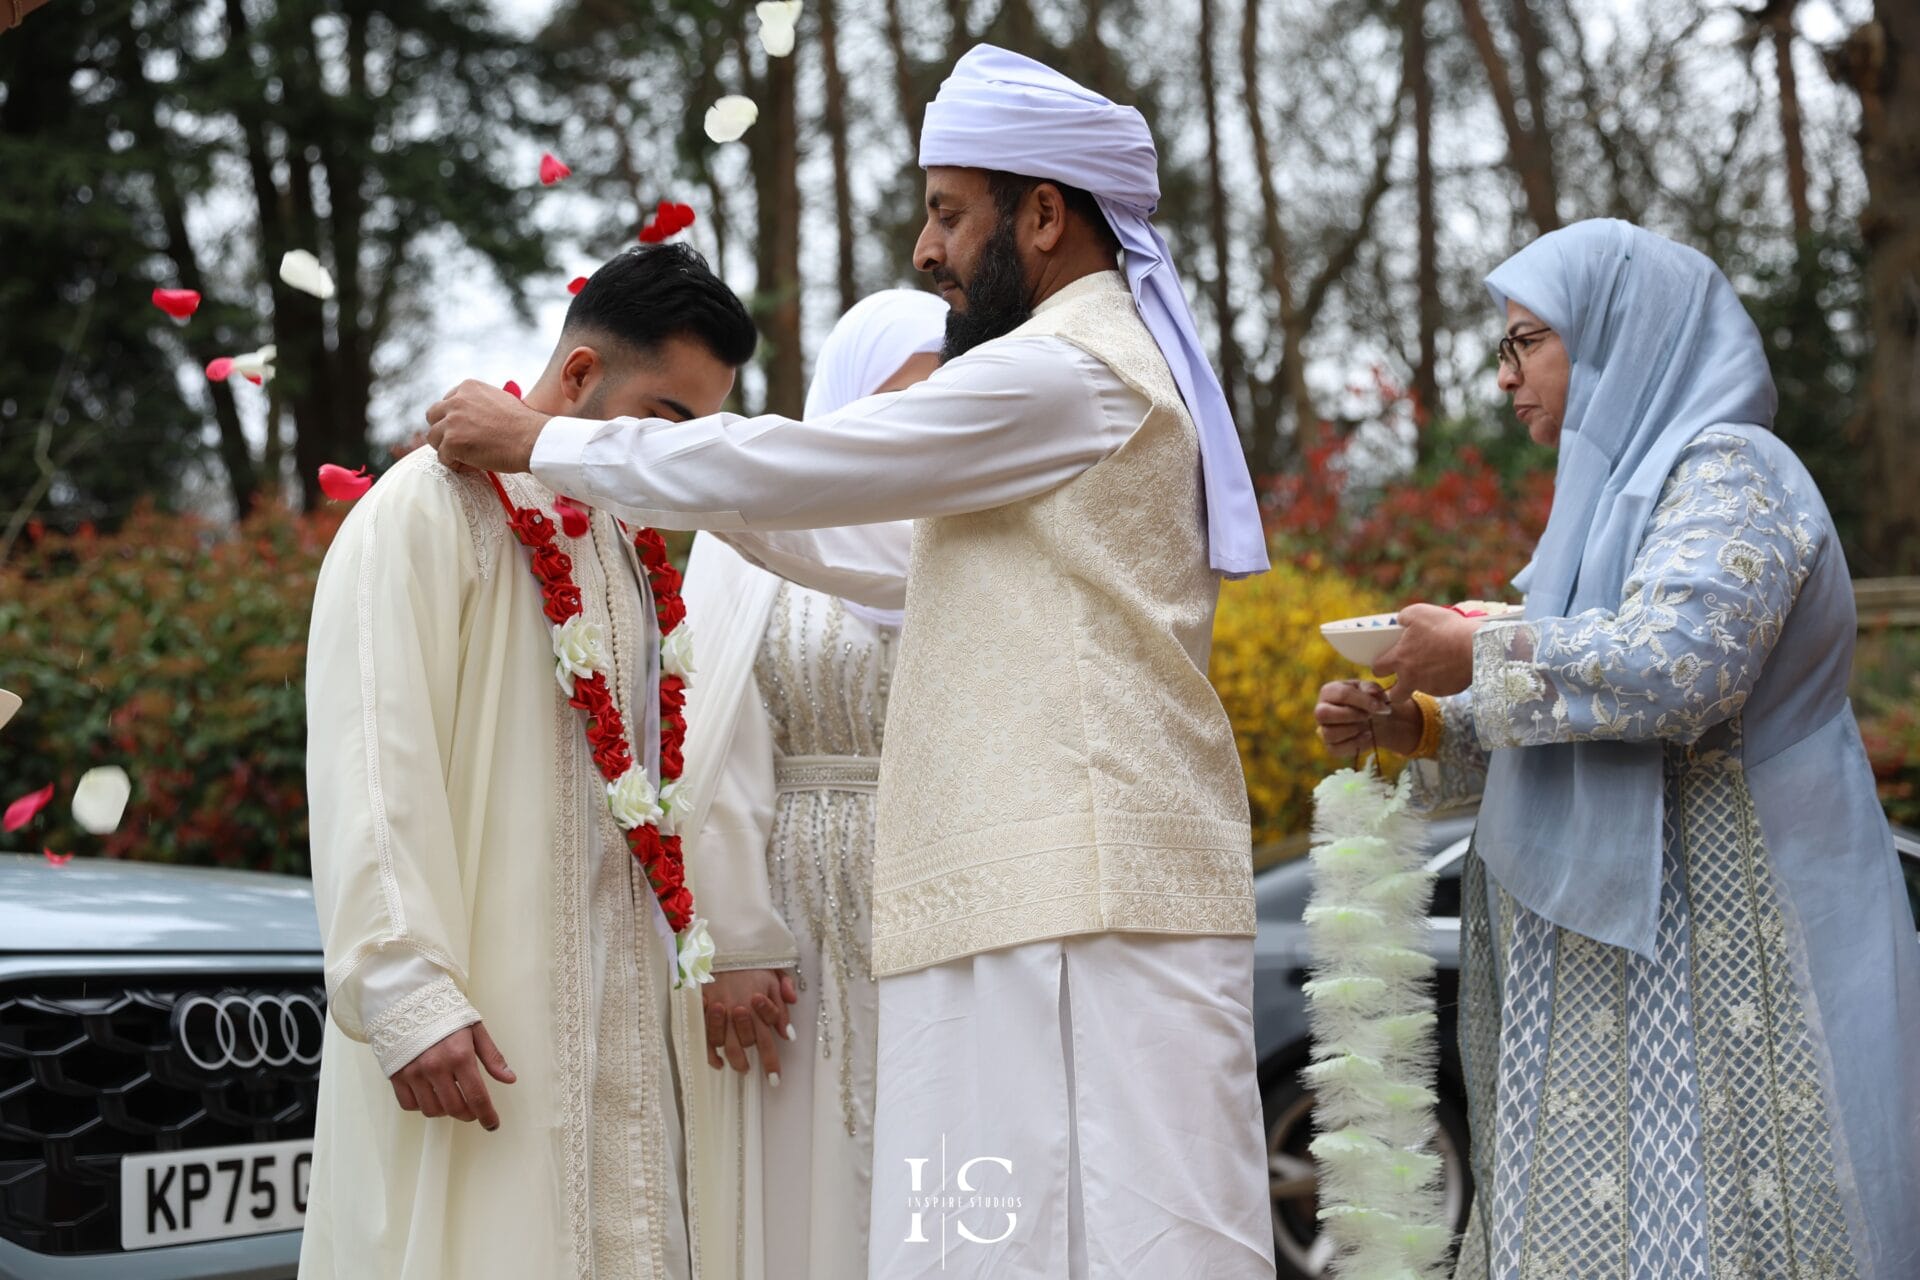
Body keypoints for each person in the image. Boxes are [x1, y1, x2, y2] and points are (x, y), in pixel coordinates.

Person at [425, 44, 1279, 1280]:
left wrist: (547, 440)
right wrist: (654, 483)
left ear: (1045, 216)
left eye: (950, 212)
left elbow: (814, 465)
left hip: (1085, 904)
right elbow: (853, 544)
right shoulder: (1066, 375)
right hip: (1015, 898)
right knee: (979, 1245)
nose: (928, 251)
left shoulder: (1072, 369)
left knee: (1128, 1245)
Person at [1316, 219, 1920, 1278]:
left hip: (1740, 947)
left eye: (1527, 341)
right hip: (1630, 973)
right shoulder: (1608, 509)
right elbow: (1575, 713)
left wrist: (1478, 649)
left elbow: (1681, 664)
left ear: (1617, 336)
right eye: (1502, 347)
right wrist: (1415, 721)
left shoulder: (1731, 468)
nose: (1505, 377)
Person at [300, 244, 759, 1280]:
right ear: (583, 372)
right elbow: (373, 754)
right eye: (663, 421)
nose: (672, 458)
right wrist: (408, 993)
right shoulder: (428, 506)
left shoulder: (625, 540)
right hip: (480, 1015)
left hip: (623, 1002)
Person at [672, 288, 947, 1280]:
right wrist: (736, 938)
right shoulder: (756, 531)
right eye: (900, 396)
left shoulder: (971, 540)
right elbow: (715, 739)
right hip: (798, 918)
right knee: (805, 1167)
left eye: (945, 397)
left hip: (948, 905)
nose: (919, 422)